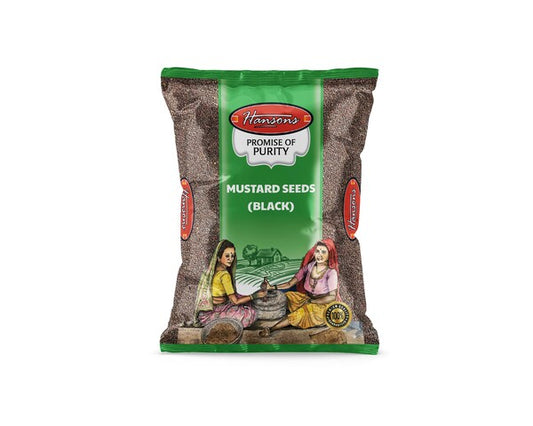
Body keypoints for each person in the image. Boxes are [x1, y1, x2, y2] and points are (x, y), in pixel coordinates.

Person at [259, 238, 340, 336]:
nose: (319, 255)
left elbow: (332, 297)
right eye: (317, 251)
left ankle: (271, 329)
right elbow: (289, 284)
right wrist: (271, 287)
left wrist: (312, 301)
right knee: (288, 295)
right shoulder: (309, 266)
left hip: (322, 306)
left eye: (323, 252)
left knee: (302, 311)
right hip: (307, 298)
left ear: (329, 254)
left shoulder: (331, 272)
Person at [194, 239, 267, 328]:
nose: (230, 259)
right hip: (212, 315)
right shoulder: (225, 275)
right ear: (219, 257)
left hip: (204, 314)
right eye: (227, 256)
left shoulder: (210, 272)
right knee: (250, 313)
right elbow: (235, 301)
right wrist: (255, 296)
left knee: (244, 301)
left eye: (232, 256)